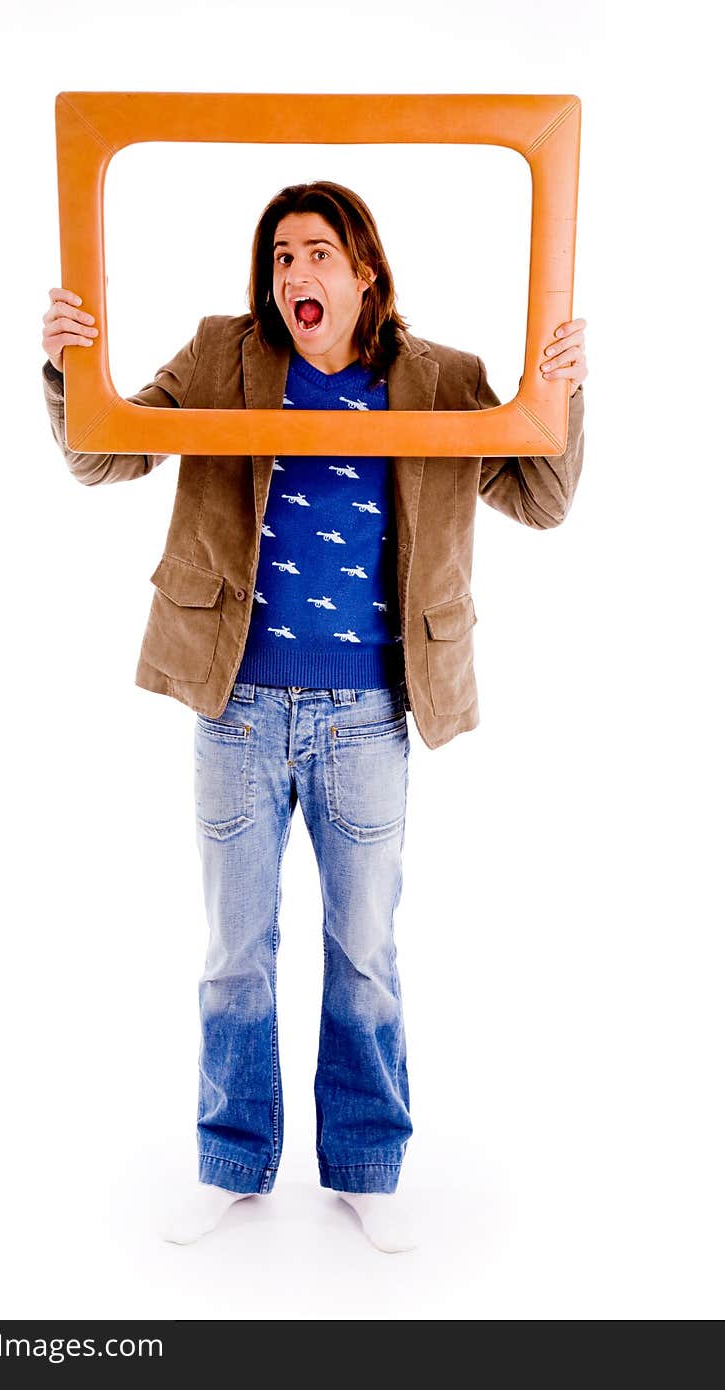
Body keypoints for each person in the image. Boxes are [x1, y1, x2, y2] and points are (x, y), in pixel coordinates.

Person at [40, 181, 588, 1253]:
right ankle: (233, 1157)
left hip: (370, 713)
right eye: (280, 256)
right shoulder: (221, 355)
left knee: (366, 949)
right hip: (234, 703)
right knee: (233, 951)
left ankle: (366, 1161)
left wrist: (564, 394)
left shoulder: (441, 379)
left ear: (363, 271)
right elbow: (104, 452)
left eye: (316, 254)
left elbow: (543, 498)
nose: (294, 274)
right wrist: (68, 375)